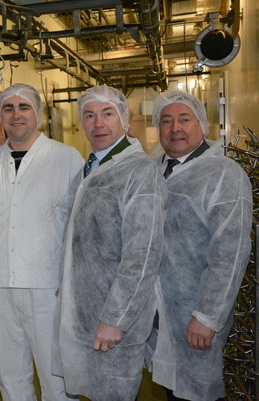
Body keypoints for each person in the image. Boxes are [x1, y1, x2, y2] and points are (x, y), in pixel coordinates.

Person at [0, 83, 84, 401]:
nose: (16, 115)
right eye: (9, 108)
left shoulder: (66, 159)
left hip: (47, 285)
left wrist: (71, 277)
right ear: (0, 116)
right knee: (11, 376)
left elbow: (80, 225)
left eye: (24, 107)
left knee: (56, 376)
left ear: (39, 115)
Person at [55, 85, 166, 401]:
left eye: (107, 114)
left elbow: (143, 254)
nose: (98, 124)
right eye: (89, 115)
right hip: (86, 311)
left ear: (125, 120)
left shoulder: (139, 171)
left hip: (114, 317)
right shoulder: (90, 168)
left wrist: (117, 318)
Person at [147, 91, 252, 401]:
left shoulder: (224, 175)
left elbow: (230, 254)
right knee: (169, 387)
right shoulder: (151, 172)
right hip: (156, 312)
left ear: (202, 125)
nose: (174, 128)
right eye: (166, 121)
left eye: (184, 119)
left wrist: (207, 316)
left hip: (194, 313)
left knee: (196, 392)